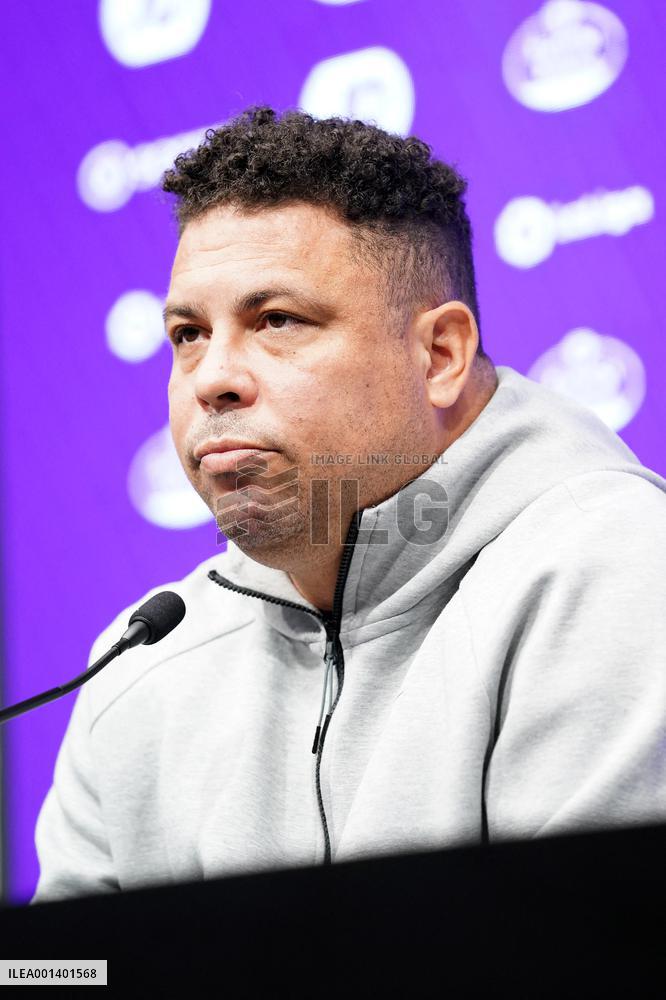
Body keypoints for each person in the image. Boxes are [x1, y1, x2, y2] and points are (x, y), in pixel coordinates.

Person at [31, 105, 666, 903]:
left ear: (439, 354)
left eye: (277, 321)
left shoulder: (615, 576)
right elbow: (57, 973)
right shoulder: (142, 666)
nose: (211, 378)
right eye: (189, 333)